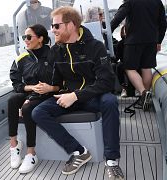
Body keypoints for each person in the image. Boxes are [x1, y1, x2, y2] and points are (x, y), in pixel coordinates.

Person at [31, 6, 124, 179]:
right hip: (68, 95)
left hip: (91, 97)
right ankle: (78, 151)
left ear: (71, 25)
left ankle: (111, 161)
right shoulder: (56, 51)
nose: (53, 30)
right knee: (38, 112)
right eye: (52, 26)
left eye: (56, 26)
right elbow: (55, 83)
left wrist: (75, 96)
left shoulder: (95, 47)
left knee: (110, 101)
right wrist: (36, 94)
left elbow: (106, 82)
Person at [8, 24, 60, 173]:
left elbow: (61, 81)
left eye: (29, 37)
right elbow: (16, 83)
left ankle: (31, 153)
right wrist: (31, 89)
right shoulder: (22, 58)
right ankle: (14, 145)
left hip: (48, 93)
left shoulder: (53, 55)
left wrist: (48, 89)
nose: (26, 40)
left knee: (27, 107)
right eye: (24, 37)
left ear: (41, 39)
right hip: (32, 90)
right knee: (12, 100)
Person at [111, 0, 167, 110]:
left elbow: (117, 18)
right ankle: (145, 98)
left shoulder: (130, 2)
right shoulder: (157, 2)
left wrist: (109, 31)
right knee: (146, 68)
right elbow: (163, 23)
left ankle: (143, 93)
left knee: (129, 68)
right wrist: (159, 41)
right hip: (151, 41)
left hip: (133, 41)